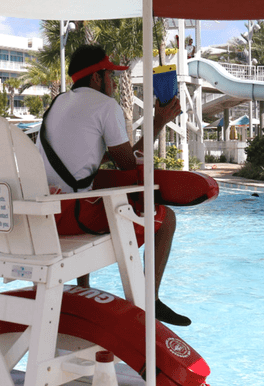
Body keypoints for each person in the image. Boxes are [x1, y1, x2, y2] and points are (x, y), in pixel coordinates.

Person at [37, 44, 189, 326]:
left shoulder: (58, 102)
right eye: (111, 75)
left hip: (41, 217)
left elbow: (82, 156)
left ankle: (83, 289)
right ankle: (151, 300)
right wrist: (159, 122)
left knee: (88, 191)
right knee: (166, 218)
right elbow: (129, 166)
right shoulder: (106, 106)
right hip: (72, 218)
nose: (115, 82)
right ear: (97, 77)